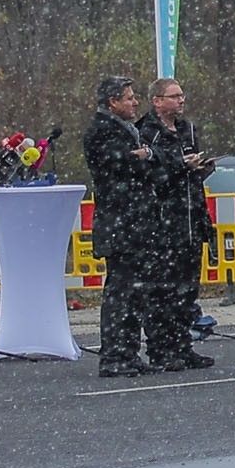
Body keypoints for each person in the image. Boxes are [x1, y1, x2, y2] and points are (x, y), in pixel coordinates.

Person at [82, 75, 171, 376]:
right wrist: (145, 160)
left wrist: (150, 157)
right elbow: (126, 166)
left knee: (136, 293)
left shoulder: (128, 130)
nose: (135, 102)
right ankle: (115, 355)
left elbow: (154, 162)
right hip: (121, 222)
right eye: (129, 97)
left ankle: (129, 352)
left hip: (137, 222)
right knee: (120, 292)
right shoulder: (102, 131)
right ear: (113, 102)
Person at [146, 78, 222, 345]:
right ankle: (163, 345)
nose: (181, 100)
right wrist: (180, 165)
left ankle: (183, 343)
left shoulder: (187, 129)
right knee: (164, 289)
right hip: (165, 223)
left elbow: (187, 174)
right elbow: (152, 175)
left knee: (188, 287)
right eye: (174, 96)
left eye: (182, 95)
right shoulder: (148, 131)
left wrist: (201, 170)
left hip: (192, 217)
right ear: (157, 101)